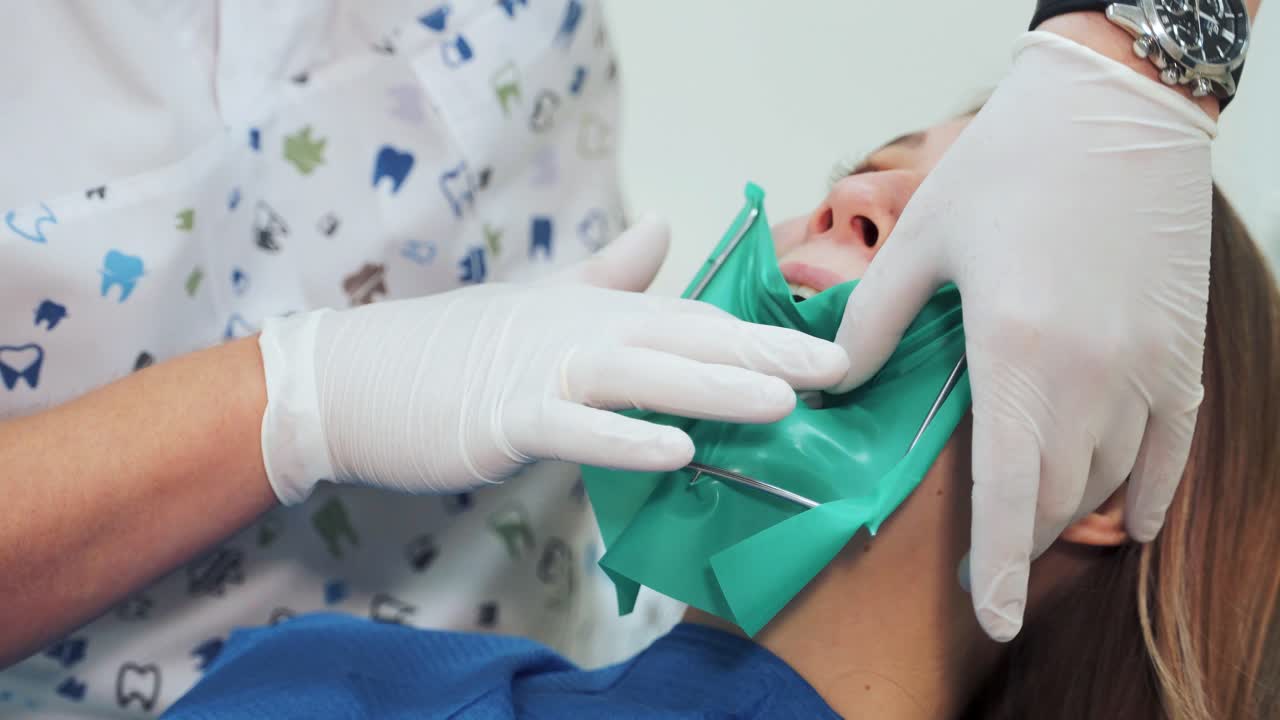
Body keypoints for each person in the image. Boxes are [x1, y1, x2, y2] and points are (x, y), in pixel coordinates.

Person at [0, 0, 1263, 714]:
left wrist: (1144, 51)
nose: (851, 196)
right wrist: (305, 397)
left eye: (950, 222)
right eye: (865, 169)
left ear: (1108, 485)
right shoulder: (328, 690)